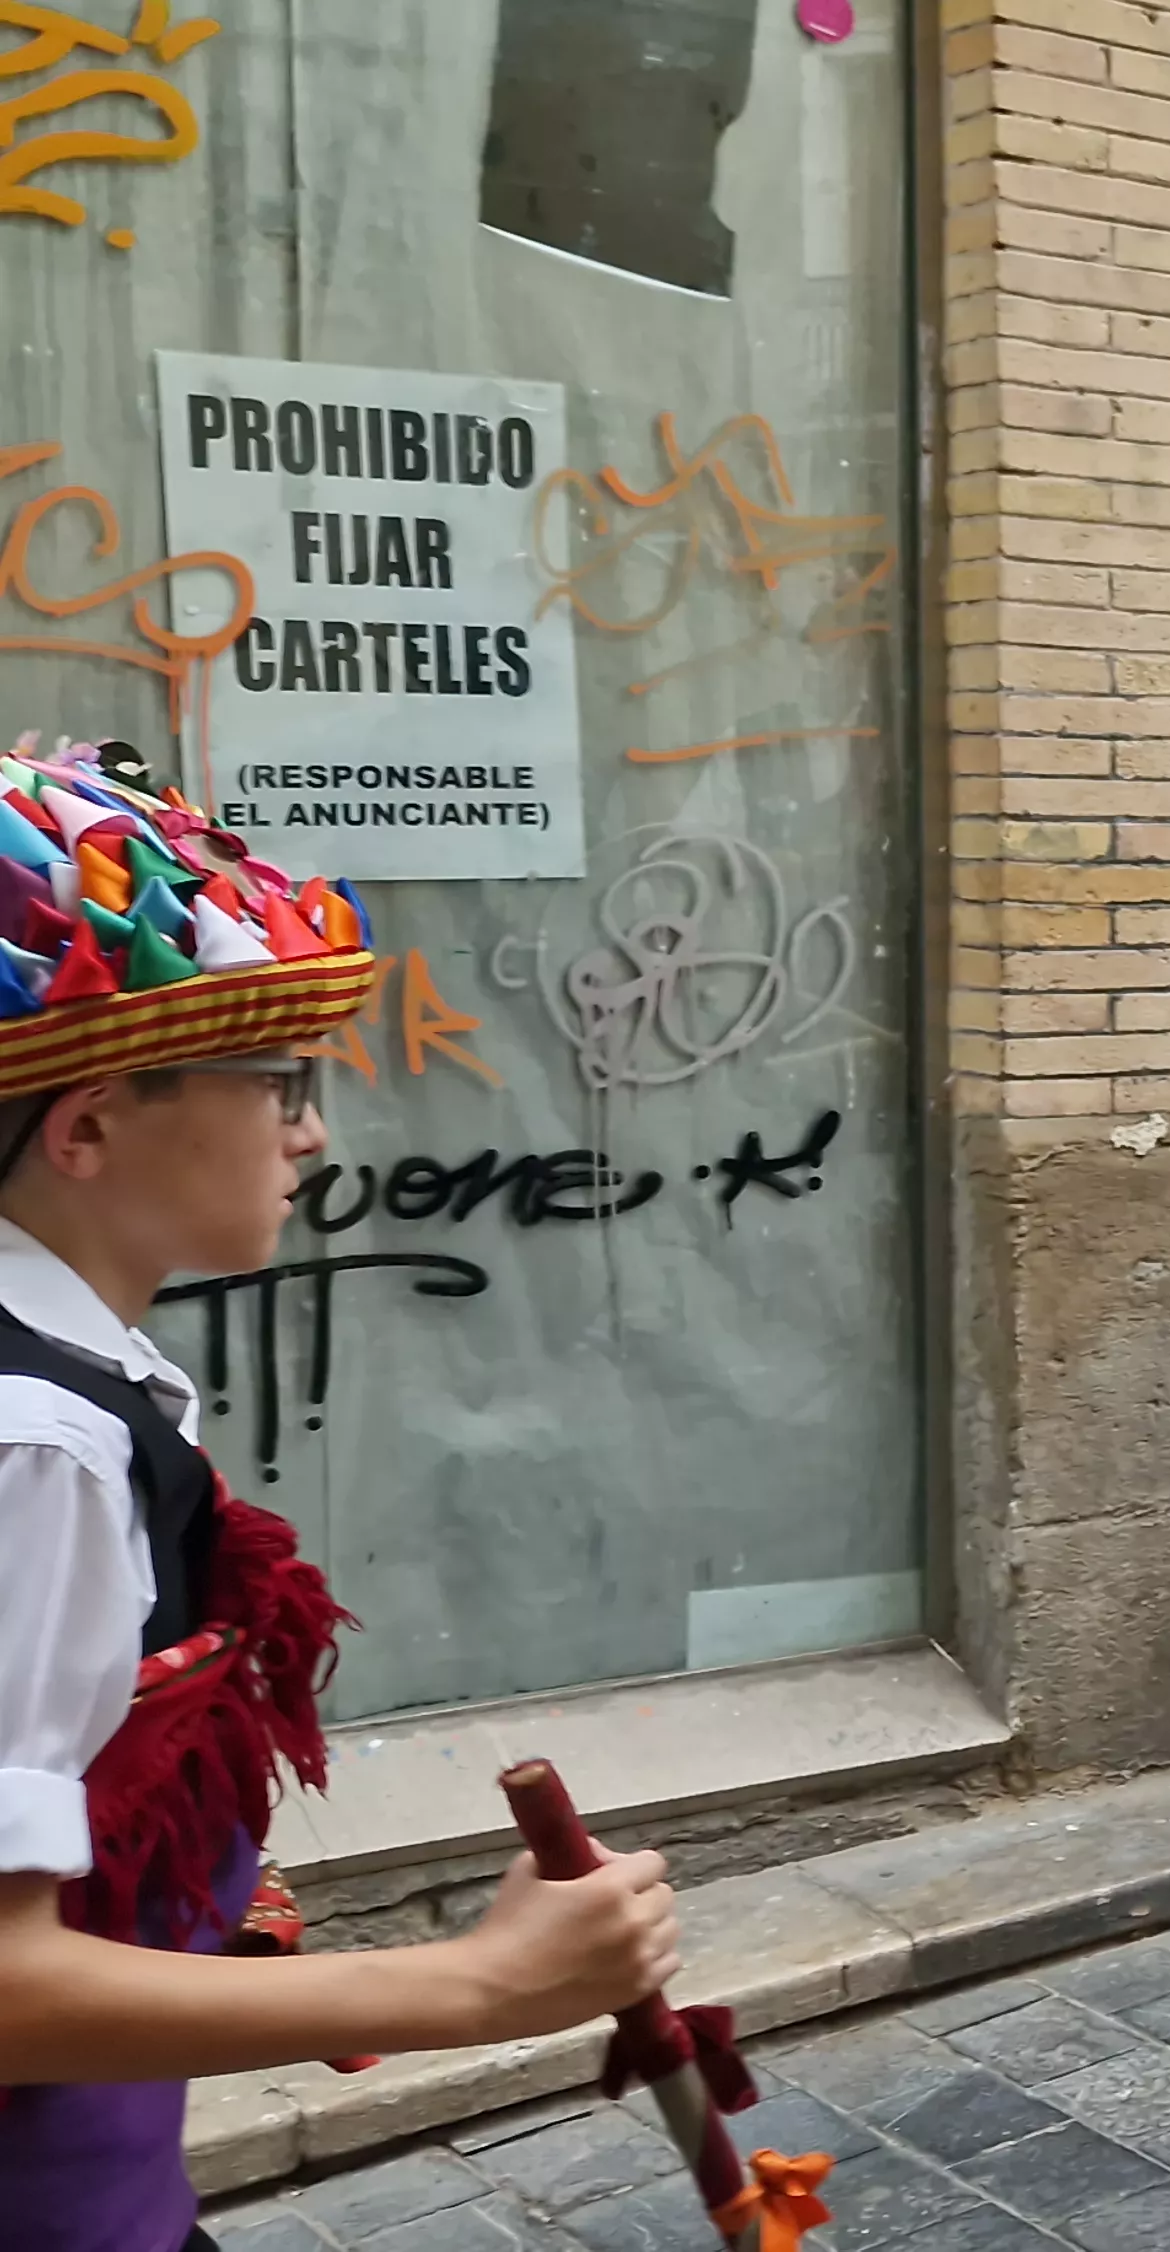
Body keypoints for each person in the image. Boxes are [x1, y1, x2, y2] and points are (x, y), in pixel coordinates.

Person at [0, 744, 679, 2252]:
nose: (311, 1131)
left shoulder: (68, 1379)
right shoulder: (33, 1439)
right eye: (277, 1084)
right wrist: (475, 1986)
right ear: (90, 1125)